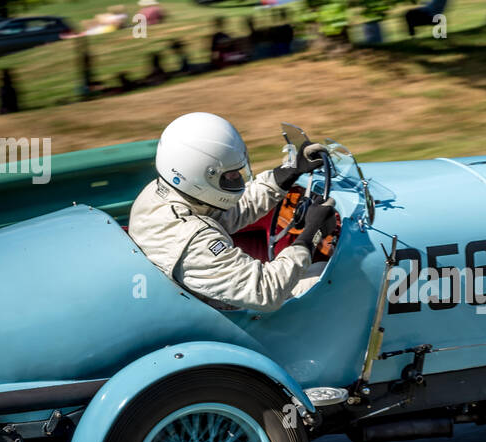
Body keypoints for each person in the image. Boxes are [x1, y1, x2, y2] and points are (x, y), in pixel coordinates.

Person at [128, 112, 336, 312]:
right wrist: (311, 235)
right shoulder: (192, 240)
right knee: (328, 275)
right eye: (230, 176)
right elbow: (266, 291)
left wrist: (287, 173)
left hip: (198, 300)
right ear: (199, 176)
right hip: (227, 318)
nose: (237, 179)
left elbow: (231, 213)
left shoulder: (159, 197)